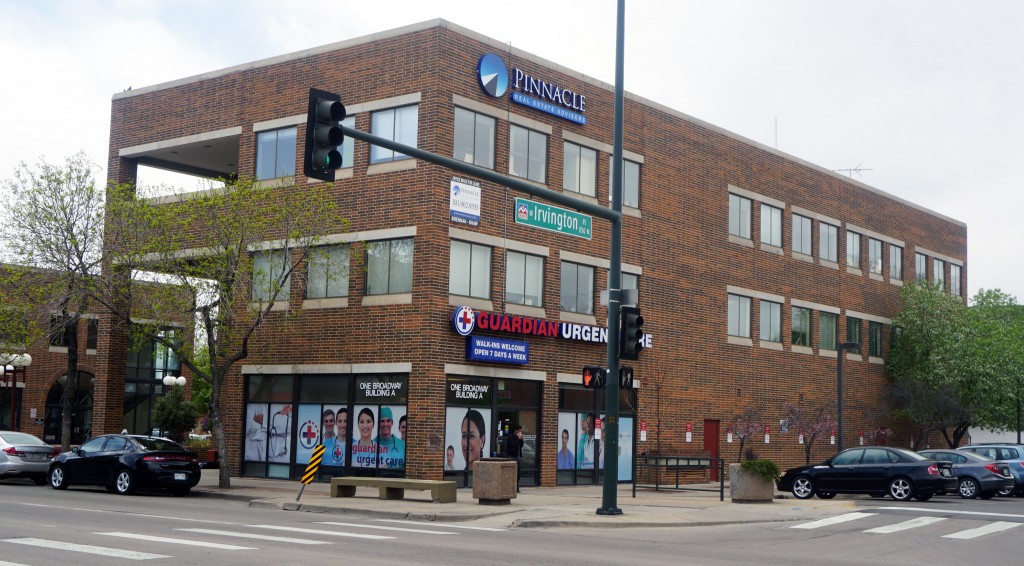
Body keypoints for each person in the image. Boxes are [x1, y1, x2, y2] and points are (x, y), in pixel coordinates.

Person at [507, 424, 524, 492]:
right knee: (512, 473)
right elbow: (514, 445)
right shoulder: (510, 437)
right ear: (515, 430)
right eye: (519, 430)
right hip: (512, 457)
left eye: (520, 430)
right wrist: (518, 439)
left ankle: (516, 487)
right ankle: (511, 487)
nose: (520, 432)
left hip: (518, 456)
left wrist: (521, 439)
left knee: (518, 474)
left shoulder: (518, 438)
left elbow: (521, 446)